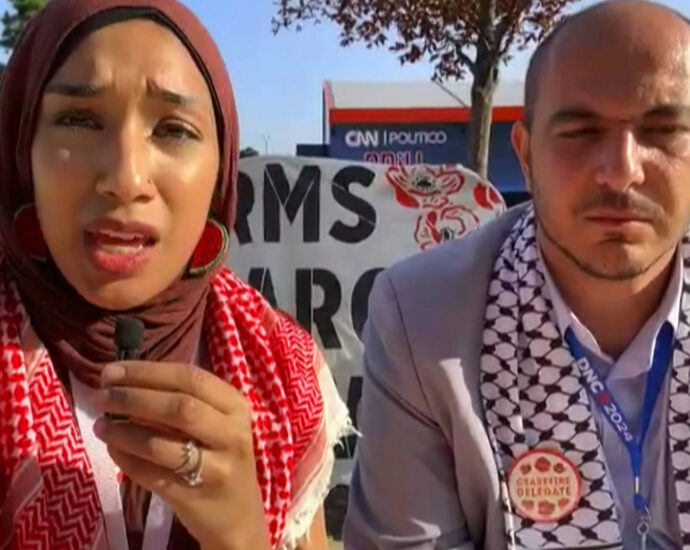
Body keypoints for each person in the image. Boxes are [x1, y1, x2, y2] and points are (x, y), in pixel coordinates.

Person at [0, 1, 351, 549]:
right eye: (79, 119)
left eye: (173, 129)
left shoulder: (282, 371)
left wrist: (242, 533)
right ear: (23, 151)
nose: (126, 177)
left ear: (218, 173)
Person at [344, 1, 690, 549]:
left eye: (663, 130)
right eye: (581, 131)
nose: (623, 170)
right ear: (525, 157)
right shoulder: (422, 319)